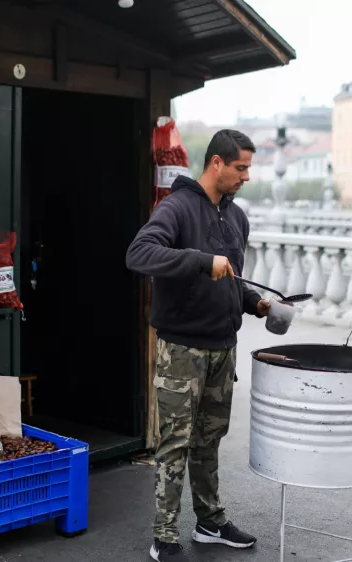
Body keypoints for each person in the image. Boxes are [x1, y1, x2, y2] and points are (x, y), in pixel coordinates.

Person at [125, 129, 269, 562]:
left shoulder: (237, 217)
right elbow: (139, 254)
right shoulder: (176, 208)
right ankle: (164, 535)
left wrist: (257, 303)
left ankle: (210, 521)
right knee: (174, 444)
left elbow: (232, 281)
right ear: (217, 164)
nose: (247, 176)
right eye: (241, 167)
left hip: (223, 348)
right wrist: (202, 261)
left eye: (248, 167)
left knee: (210, 440)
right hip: (181, 351)